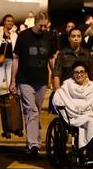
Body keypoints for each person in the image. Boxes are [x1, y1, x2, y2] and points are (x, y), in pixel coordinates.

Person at [9, 11, 57, 158]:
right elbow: (16, 59)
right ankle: (33, 145)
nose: (43, 28)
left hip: (41, 80)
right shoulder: (23, 37)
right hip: (25, 79)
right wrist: (12, 80)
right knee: (32, 111)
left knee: (36, 111)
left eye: (45, 26)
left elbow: (51, 58)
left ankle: (35, 139)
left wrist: (55, 77)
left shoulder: (50, 37)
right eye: (41, 26)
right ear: (35, 23)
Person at [52, 62, 93, 166]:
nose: (79, 74)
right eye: (76, 72)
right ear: (73, 74)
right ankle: (92, 156)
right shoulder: (67, 87)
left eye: (82, 72)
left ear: (86, 74)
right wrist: (81, 108)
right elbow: (59, 99)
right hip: (76, 117)